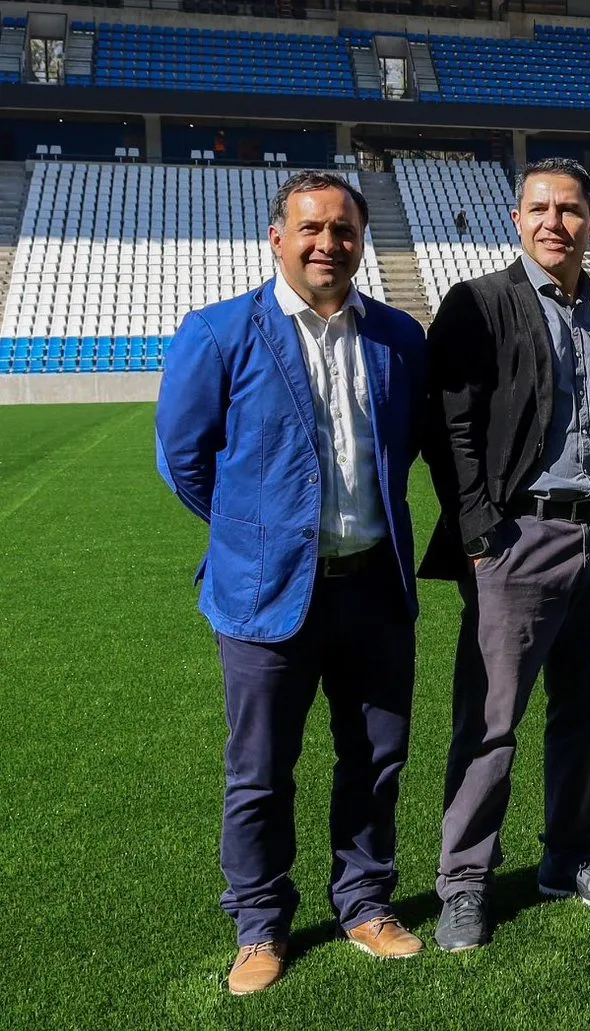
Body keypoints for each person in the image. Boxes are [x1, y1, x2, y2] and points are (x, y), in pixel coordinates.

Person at [155, 171, 429, 995]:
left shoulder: (397, 337)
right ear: (277, 237)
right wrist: (260, 533)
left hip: (374, 587)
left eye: (343, 230)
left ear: (360, 241)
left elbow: (404, 445)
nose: (327, 244)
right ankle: (260, 923)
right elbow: (184, 460)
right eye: (311, 228)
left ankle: (365, 902)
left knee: (376, 760)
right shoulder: (218, 333)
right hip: (263, 594)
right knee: (261, 772)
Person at [420, 158, 590, 950]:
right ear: (516, 221)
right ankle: (464, 881)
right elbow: (448, 427)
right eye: (540, 209)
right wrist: (481, 533)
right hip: (516, 542)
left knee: (584, 712)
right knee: (490, 723)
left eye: (571, 209)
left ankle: (571, 855)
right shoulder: (480, 303)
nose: (556, 221)